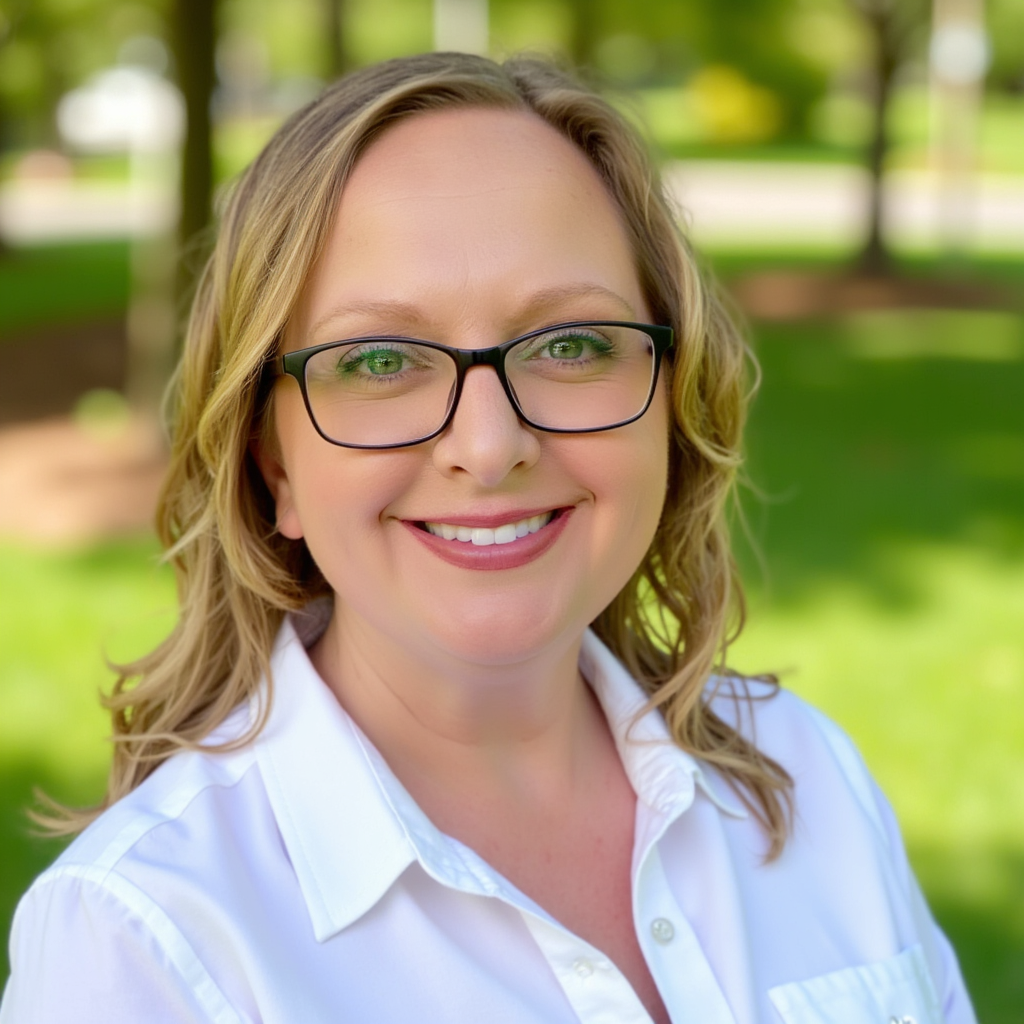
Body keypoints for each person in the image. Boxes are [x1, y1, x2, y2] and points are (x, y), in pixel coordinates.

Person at [1, 53, 974, 1024]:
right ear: (273, 462)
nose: (488, 444)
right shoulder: (143, 937)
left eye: (569, 345)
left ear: (672, 402)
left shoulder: (809, 779)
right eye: (379, 359)